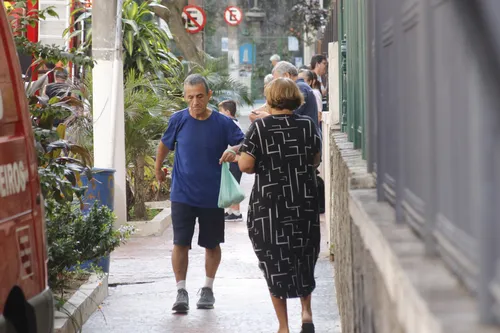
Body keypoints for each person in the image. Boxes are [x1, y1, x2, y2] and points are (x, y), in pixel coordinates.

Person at [155, 74, 245, 313]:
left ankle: (207, 288)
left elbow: (244, 143)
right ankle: (181, 291)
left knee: (212, 244)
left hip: (212, 196)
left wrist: (233, 149)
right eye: (190, 97)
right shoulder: (178, 120)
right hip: (182, 194)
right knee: (180, 242)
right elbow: (164, 144)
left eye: (200, 96)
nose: (195, 102)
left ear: (209, 96)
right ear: (185, 97)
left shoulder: (223, 123)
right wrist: (158, 170)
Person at [239, 78, 322, 333]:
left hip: (270, 209)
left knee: (274, 263)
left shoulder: (260, 128)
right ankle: (306, 313)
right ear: (295, 98)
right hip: (304, 205)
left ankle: (284, 326)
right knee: (303, 257)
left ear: (271, 98)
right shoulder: (307, 126)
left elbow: (246, 166)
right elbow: (315, 159)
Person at [218, 100, 243, 222]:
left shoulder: (231, 123)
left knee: (234, 185)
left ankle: (236, 212)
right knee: (230, 185)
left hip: (235, 160)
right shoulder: (234, 122)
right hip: (232, 160)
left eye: (221, 112)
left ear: (227, 112)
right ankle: (230, 210)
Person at [273, 61, 319, 128]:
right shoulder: (301, 86)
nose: (277, 86)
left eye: (277, 82)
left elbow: (289, 116)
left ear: (287, 75)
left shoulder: (299, 88)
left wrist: (268, 116)